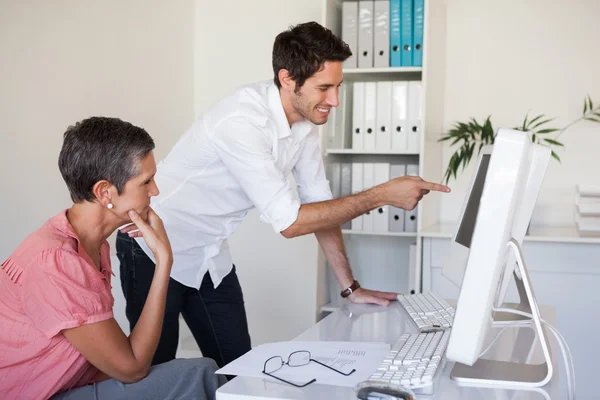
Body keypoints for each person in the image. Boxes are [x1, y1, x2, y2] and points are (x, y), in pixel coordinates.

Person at [117, 21, 450, 369]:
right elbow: (290, 223)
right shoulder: (242, 121)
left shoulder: (305, 124)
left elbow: (320, 206)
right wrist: (381, 195)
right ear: (288, 78)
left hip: (208, 255)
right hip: (151, 247)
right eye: (324, 88)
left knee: (237, 369)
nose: (333, 101)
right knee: (154, 373)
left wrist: (350, 288)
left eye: (338, 87)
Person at [0, 117, 225, 400]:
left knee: (188, 373)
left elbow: (121, 364)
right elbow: (133, 369)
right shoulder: (56, 261)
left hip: (66, 384)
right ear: (104, 191)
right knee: (198, 374)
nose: (155, 191)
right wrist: (164, 261)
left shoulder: (92, 245)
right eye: (146, 181)